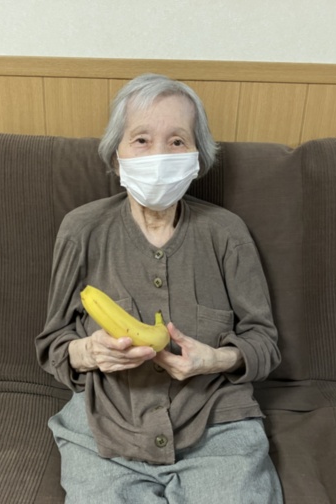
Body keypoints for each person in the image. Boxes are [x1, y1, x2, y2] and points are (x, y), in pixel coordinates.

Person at [36, 73, 283, 503]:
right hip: (105, 431)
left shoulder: (227, 233)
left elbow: (264, 342)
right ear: (116, 156)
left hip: (219, 428)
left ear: (198, 158)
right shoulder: (81, 230)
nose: (159, 155)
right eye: (141, 140)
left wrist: (216, 359)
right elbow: (53, 344)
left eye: (177, 142)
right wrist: (89, 352)